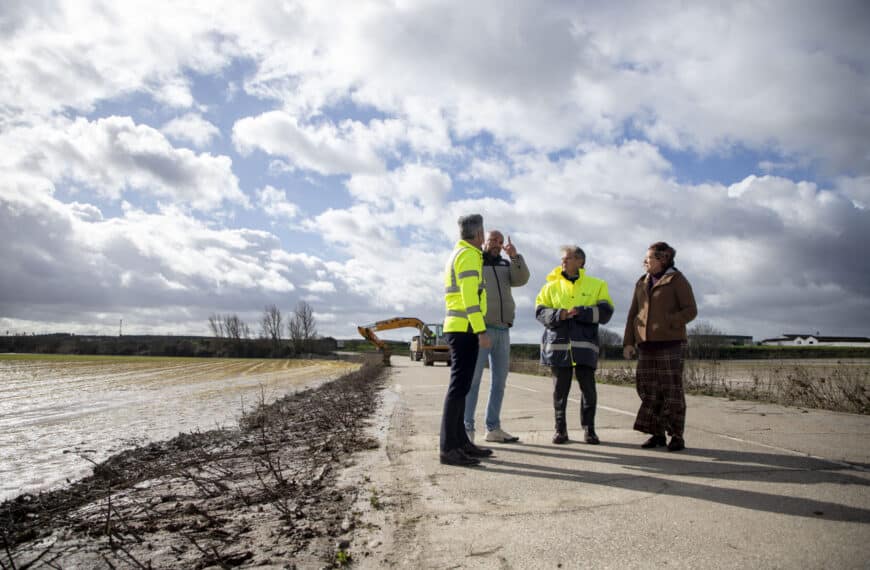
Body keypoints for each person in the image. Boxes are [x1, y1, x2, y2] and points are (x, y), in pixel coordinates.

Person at [623, 242, 697, 452]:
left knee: (671, 390)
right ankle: (657, 434)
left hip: (671, 343)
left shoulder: (677, 280)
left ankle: (676, 435)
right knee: (647, 389)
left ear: (663, 259)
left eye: (648, 259)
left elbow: (691, 310)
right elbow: (632, 314)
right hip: (646, 344)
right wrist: (629, 342)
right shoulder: (641, 282)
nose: (644, 262)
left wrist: (669, 322)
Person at [535, 246, 614, 445]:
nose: (563, 261)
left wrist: (582, 312)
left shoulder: (597, 284)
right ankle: (560, 430)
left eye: (568, 258)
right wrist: (559, 314)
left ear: (580, 261)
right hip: (558, 348)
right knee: (559, 392)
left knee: (589, 390)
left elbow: (606, 313)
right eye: (562, 258)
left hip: (585, 348)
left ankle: (590, 431)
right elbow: (539, 312)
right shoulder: (549, 286)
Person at [464, 230, 530, 443]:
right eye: (493, 240)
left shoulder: (505, 265)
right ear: (484, 241)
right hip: (481, 330)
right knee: (473, 383)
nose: (497, 244)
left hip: (503, 330)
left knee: (499, 382)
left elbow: (522, 279)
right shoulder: (475, 262)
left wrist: (514, 257)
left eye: (500, 242)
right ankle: (466, 429)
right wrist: (477, 327)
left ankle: (493, 428)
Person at [439, 214, 495, 466]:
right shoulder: (470, 255)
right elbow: (470, 298)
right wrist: (481, 330)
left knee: (461, 389)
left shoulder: (458, 253)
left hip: (460, 327)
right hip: (465, 329)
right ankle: (449, 448)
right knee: (458, 389)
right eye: (483, 233)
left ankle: (461, 443)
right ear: (479, 235)